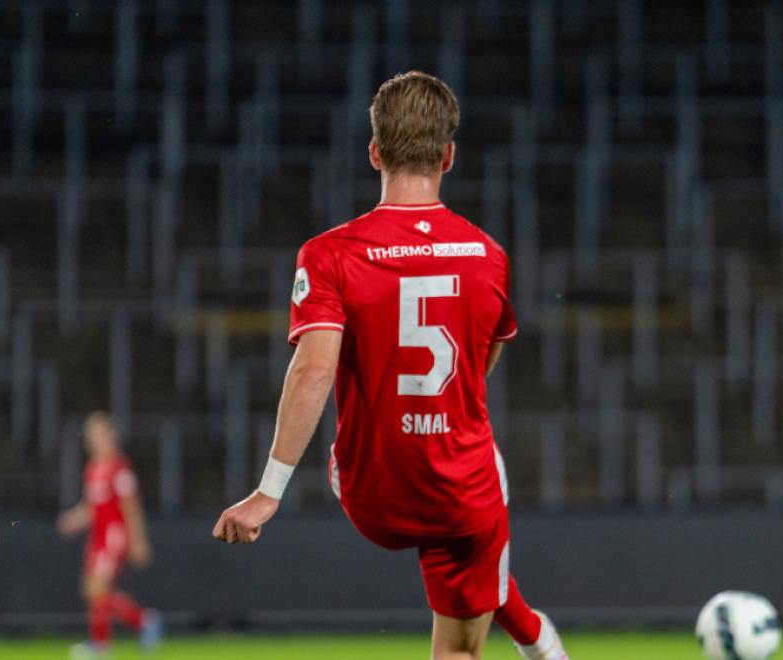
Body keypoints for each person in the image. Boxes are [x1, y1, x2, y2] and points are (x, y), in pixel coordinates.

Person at [212, 71, 568, 660]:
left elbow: (313, 370)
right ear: (450, 156)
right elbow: (482, 360)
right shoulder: (488, 255)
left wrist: (267, 493)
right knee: (465, 615)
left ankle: (533, 632)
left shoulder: (330, 254)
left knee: (462, 534)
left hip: (369, 490)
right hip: (459, 490)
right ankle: (538, 641)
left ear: (375, 151)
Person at [58, 412, 161, 657]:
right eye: (92, 433)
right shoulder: (92, 468)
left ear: (111, 435)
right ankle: (144, 621)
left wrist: (138, 540)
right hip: (98, 536)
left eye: (100, 433)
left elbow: (131, 505)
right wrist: (74, 520)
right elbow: (91, 508)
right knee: (92, 590)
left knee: (97, 588)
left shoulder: (119, 467)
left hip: (114, 536)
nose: (96, 438)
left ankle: (102, 644)